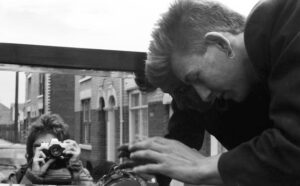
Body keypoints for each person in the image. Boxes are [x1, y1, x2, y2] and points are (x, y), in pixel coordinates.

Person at [126, 0, 300, 185]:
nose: (203, 96)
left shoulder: (289, 19)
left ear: (220, 44)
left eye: (196, 77)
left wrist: (203, 167)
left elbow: (292, 147)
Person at [10, 114, 93, 185]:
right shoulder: (20, 175)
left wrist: (75, 168)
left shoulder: (75, 173)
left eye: (51, 146)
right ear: (30, 149)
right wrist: (33, 177)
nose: (43, 151)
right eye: (39, 146)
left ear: (62, 147)